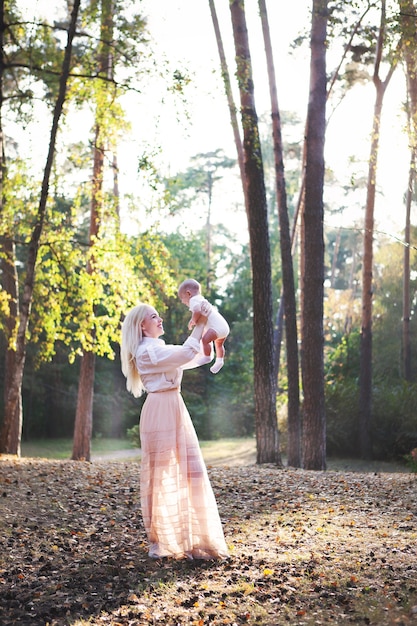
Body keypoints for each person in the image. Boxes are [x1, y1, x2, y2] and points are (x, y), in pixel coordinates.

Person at [120, 302, 229, 561]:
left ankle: (197, 537)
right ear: (141, 326)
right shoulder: (147, 351)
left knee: (191, 470)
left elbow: (197, 356)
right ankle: (163, 540)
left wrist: (211, 331)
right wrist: (200, 322)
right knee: (162, 475)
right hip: (160, 409)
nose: (160, 319)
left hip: (174, 406)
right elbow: (185, 353)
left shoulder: (159, 347)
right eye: (153, 316)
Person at [178, 278, 230, 374]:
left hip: (216, 328)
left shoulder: (193, 300)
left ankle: (206, 357)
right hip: (224, 327)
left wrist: (193, 320)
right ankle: (219, 360)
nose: (182, 302)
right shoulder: (201, 299)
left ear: (188, 293)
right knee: (219, 345)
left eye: (182, 298)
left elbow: (197, 311)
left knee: (205, 340)